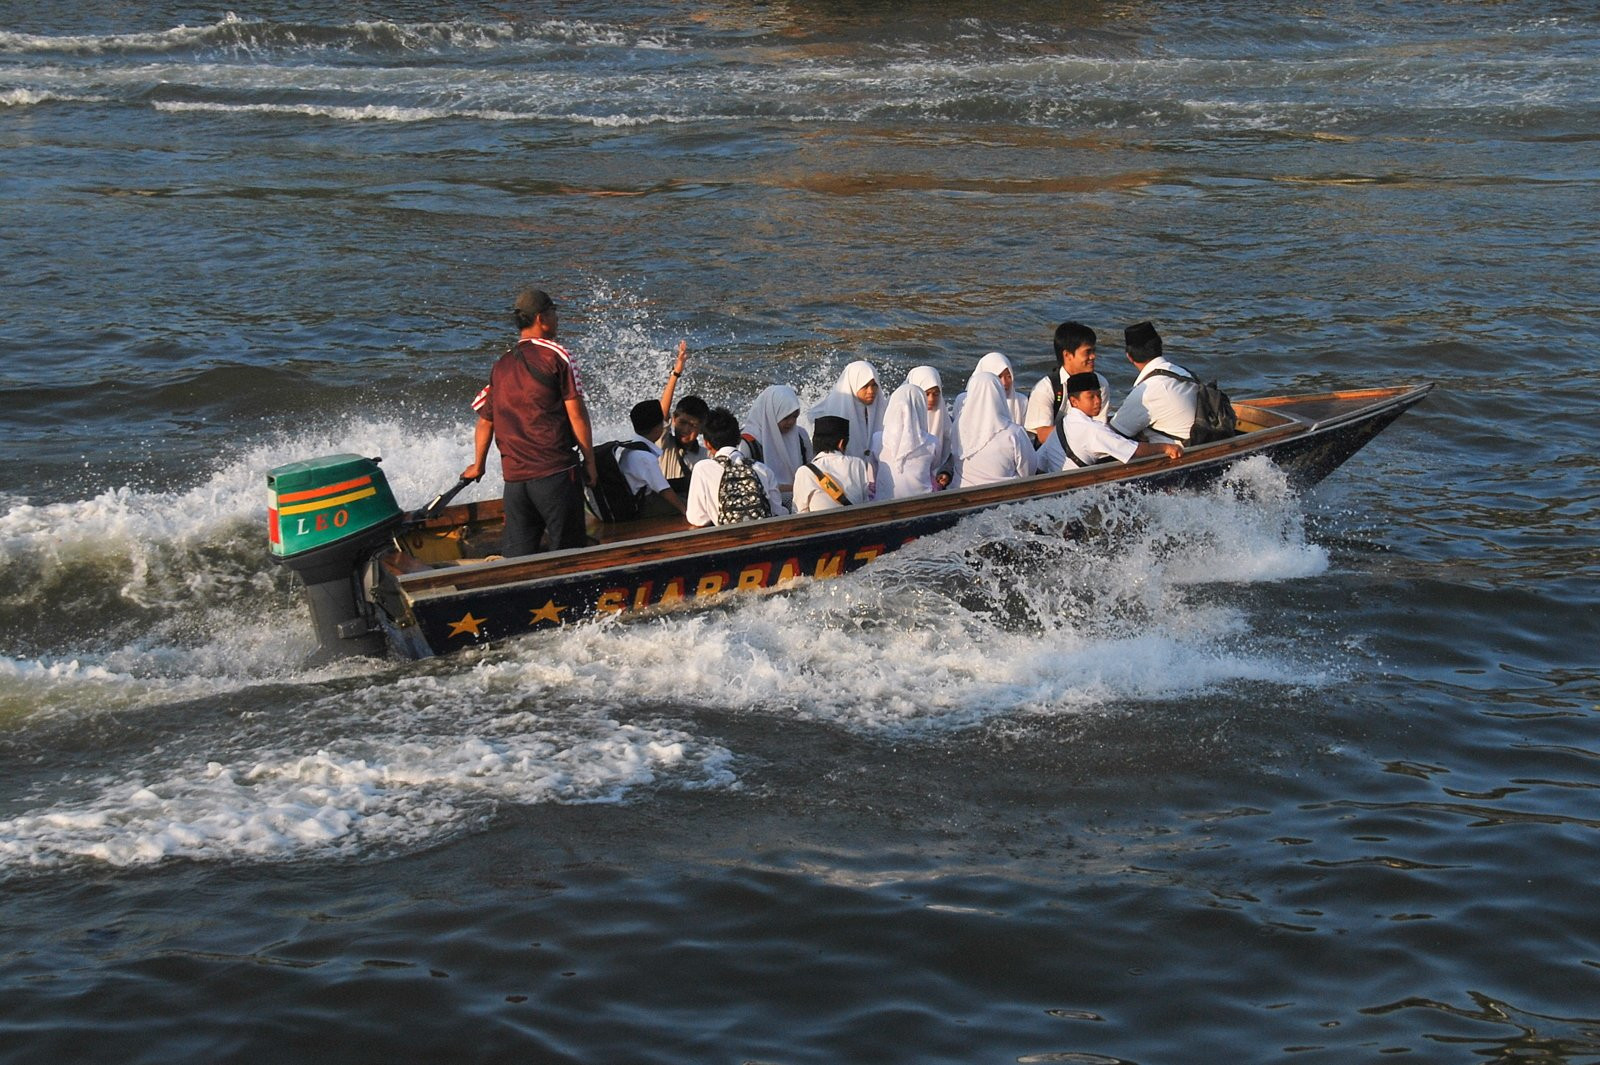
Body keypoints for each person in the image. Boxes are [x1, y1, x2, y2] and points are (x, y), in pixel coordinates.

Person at [462, 287, 597, 556]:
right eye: (554, 312)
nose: (557, 318)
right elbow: (577, 415)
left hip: (516, 482)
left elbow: (485, 421)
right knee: (569, 554)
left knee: (518, 559)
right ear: (540, 318)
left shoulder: (502, 364)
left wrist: (478, 465)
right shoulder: (558, 355)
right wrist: (590, 463)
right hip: (555, 473)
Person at [1037, 373, 1182, 471]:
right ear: (1074, 401)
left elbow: (1041, 459)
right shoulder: (1093, 429)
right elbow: (1133, 451)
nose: (1098, 401)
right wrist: (1166, 448)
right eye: (1091, 397)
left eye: (1099, 395)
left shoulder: (1065, 423)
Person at [685, 407, 787, 526]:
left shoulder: (702, 469)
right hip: (763, 532)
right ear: (739, 439)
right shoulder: (763, 469)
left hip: (728, 534)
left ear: (707, 443)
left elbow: (697, 518)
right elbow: (778, 512)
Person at [1110, 321, 1201, 444]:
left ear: (1129, 357)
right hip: (1201, 439)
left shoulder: (1146, 391)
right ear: (1160, 346)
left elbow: (1115, 433)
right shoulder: (1183, 372)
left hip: (1180, 449)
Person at [1025, 320, 1113, 444]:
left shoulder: (1100, 383)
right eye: (1088, 352)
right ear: (1067, 355)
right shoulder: (1045, 389)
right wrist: (1078, 431)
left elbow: (1100, 426)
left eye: (1094, 351)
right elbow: (1043, 435)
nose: (1093, 356)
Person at [952, 370, 1035, 489]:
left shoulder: (957, 426)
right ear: (999, 394)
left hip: (960, 491)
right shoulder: (1013, 433)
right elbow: (1029, 472)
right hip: (1002, 493)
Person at [612, 399, 687, 518]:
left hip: (634, 498)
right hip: (642, 505)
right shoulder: (645, 457)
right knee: (689, 503)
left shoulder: (630, 449)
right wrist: (685, 511)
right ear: (657, 429)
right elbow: (664, 490)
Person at [739, 384, 811, 502]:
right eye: (786, 417)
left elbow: (810, 470)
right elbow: (747, 484)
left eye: (794, 416)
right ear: (771, 414)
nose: (791, 422)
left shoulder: (801, 436)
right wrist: (794, 488)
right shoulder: (749, 442)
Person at [656, 340, 711, 495]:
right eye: (682, 422)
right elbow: (662, 414)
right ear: (674, 419)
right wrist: (676, 373)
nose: (686, 429)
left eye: (693, 425)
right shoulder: (664, 446)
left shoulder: (706, 456)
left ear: (702, 428)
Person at [803, 360, 883, 464]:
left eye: (874, 385)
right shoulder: (828, 415)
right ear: (853, 385)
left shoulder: (883, 410)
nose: (871, 391)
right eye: (865, 386)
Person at [872, 380, 939, 499]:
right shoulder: (932, 442)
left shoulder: (877, 439)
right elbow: (934, 466)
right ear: (921, 407)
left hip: (883, 502)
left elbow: (875, 468)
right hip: (922, 503)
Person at [793, 415, 871, 513]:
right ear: (841, 443)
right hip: (856, 521)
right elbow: (865, 501)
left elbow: (799, 512)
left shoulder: (804, 472)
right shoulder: (857, 464)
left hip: (821, 523)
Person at [906, 365, 954, 489]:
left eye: (936, 394)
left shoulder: (947, 421)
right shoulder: (902, 422)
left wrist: (945, 472)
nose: (931, 399)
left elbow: (952, 453)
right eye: (926, 394)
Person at [952, 351, 1027, 426]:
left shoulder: (1021, 401)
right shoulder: (963, 400)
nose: (1004, 382)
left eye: (1008, 376)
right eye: (998, 376)